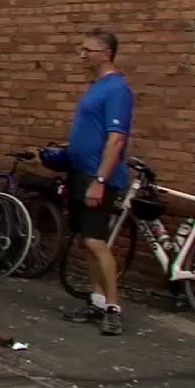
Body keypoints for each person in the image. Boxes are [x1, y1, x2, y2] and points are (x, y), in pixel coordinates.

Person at [62, 28, 133, 336]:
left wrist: (100, 179)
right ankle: (97, 300)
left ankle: (114, 308)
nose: (81, 55)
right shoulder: (97, 86)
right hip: (81, 173)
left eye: (87, 50)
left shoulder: (117, 89)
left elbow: (116, 140)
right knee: (86, 241)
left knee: (96, 241)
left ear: (105, 53)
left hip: (98, 177)